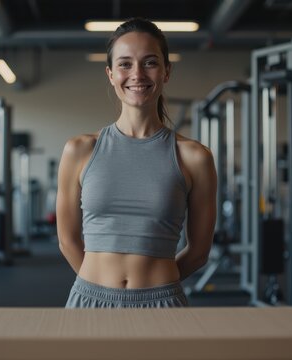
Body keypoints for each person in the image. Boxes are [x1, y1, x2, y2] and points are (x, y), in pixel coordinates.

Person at [56, 18, 217, 308]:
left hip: (162, 302)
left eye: (150, 62)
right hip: (89, 299)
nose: (137, 74)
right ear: (110, 74)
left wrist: (158, 288)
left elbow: (199, 252)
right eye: (125, 64)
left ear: (167, 71)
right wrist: (97, 289)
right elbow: (67, 241)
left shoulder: (195, 157)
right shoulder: (79, 150)